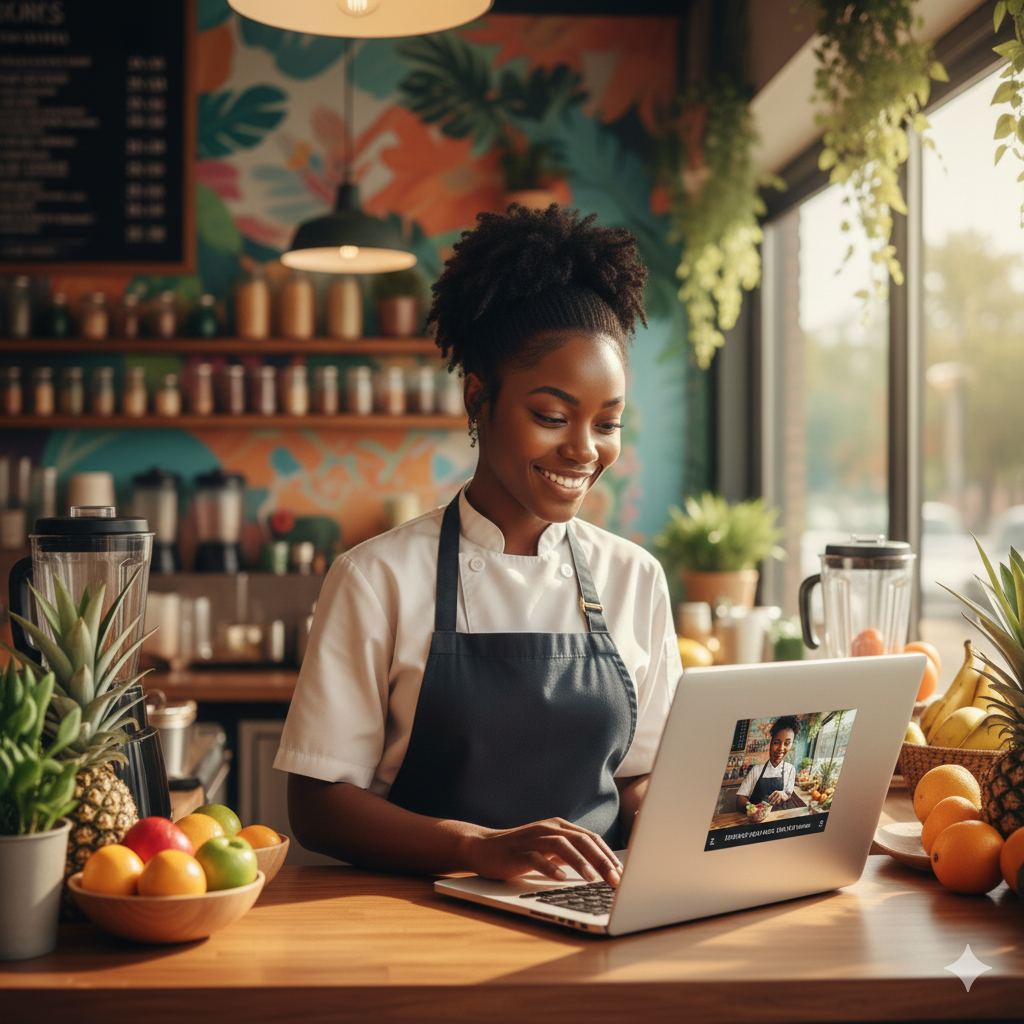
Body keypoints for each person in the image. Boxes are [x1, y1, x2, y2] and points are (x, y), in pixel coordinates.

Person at [274, 204, 683, 889]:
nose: (584, 450)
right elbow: (316, 809)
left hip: (596, 914)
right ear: (479, 399)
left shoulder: (634, 577)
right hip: (417, 920)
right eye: (551, 416)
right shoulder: (376, 578)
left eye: (607, 423)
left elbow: (638, 778)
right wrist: (476, 848)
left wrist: (697, 817)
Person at [734, 716, 801, 813]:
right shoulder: (756, 770)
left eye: (787, 743)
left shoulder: (790, 770)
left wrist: (784, 795)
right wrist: (755, 810)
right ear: (771, 742)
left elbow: (788, 793)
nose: (781, 748)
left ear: (791, 744)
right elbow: (739, 800)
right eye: (777, 742)